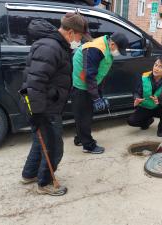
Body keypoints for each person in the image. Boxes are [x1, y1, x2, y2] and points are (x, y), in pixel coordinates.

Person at [19, 12, 92, 196]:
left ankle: (29, 174)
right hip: (45, 107)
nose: (79, 41)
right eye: (79, 37)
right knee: (53, 147)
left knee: (40, 142)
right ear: (70, 32)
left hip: (45, 104)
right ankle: (45, 183)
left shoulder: (55, 45)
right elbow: (35, 82)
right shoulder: (51, 47)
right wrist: (37, 112)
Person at [70, 32, 129, 154]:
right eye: (119, 50)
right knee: (84, 116)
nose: (118, 53)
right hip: (82, 85)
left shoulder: (107, 48)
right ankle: (88, 146)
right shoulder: (95, 49)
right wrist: (95, 97)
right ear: (112, 44)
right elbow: (90, 75)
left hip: (89, 84)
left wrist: (100, 92)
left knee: (84, 114)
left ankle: (79, 138)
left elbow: (102, 72)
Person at [127, 56, 162, 137]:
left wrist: (160, 101)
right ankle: (148, 121)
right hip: (146, 106)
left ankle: (160, 128)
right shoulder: (144, 77)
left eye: (160, 66)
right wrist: (137, 98)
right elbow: (136, 92)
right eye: (155, 65)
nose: (156, 68)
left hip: (160, 107)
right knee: (131, 121)